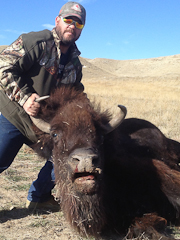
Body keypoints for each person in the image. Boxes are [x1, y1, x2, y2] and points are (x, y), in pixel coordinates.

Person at [0, 1, 86, 210]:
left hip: (44, 125)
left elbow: (76, 94)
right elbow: (3, 66)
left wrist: (90, 116)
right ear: (58, 20)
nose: (72, 26)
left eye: (78, 24)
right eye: (68, 20)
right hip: (14, 116)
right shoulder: (35, 42)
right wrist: (25, 98)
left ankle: (39, 197)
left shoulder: (75, 63)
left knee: (63, 159)